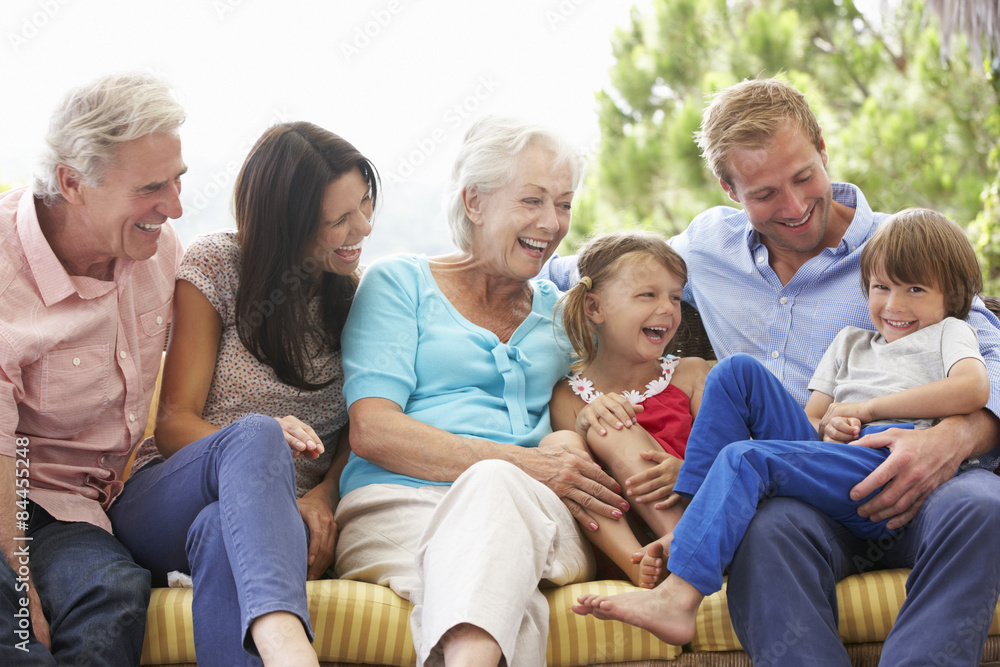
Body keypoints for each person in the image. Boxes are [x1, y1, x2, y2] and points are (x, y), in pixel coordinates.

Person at [550, 77, 1000, 665]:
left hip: (928, 474)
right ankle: (694, 539)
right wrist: (478, 266)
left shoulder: (905, 253)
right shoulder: (707, 246)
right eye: (764, 193)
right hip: (808, 482)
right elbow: (588, 277)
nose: (792, 207)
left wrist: (958, 435)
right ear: (729, 189)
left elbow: (989, 364)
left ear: (821, 147)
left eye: (803, 177)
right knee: (764, 529)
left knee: (982, 504)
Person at [573, 208, 991, 647]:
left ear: (953, 295)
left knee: (745, 456)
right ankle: (694, 519)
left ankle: (680, 597)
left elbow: (972, 388)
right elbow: (812, 420)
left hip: (893, 465)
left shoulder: (948, 333)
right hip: (839, 464)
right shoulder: (851, 341)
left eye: (915, 289)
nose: (893, 305)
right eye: (881, 287)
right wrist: (832, 428)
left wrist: (867, 409)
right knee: (735, 373)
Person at [334, 116, 630, 667]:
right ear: (474, 202)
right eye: (533, 201)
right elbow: (373, 429)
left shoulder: (564, 313)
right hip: (398, 506)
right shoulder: (400, 282)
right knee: (504, 594)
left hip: (542, 515)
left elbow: (626, 379)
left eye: (564, 204)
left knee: (494, 503)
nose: (552, 222)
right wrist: (525, 464)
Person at [108, 122, 377, 667]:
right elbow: (175, 421)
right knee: (257, 434)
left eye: (366, 206)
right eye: (340, 220)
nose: (363, 228)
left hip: (275, 524)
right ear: (289, 222)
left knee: (220, 533)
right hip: (170, 497)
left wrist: (322, 498)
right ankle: (287, 646)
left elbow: (363, 426)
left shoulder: (357, 297)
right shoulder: (217, 266)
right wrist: (255, 442)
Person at [0, 72, 185, 665]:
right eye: (151, 187)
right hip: (7, 491)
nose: (174, 206)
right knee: (19, 636)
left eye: (178, 180)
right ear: (72, 183)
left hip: (69, 508)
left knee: (110, 590)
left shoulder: (157, 248)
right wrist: (25, 588)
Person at [544, 230, 708, 588]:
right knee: (559, 444)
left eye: (676, 297)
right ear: (594, 307)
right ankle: (636, 564)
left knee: (610, 422)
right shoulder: (568, 396)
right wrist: (587, 420)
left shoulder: (692, 373)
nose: (667, 308)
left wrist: (688, 471)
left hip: (695, 514)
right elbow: (577, 475)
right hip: (625, 534)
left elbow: (729, 449)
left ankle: (688, 547)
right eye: (647, 294)